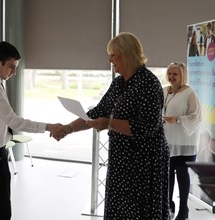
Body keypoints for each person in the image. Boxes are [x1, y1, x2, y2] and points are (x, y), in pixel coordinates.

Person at [52, 32, 170, 220]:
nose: (109, 59)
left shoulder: (149, 83)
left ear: (127, 54)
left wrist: (109, 123)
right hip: (121, 160)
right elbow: (97, 112)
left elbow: (147, 127)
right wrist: (68, 128)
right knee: (119, 210)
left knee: (138, 212)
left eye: (113, 54)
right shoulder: (118, 83)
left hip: (144, 163)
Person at [0, 41, 61, 220]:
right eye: (11, 67)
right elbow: (14, 121)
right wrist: (49, 127)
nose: (14, 72)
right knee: (0, 212)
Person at [162, 62, 201, 220]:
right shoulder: (164, 91)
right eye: (169, 73)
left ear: (183, 75)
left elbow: (196, 116)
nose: (171, 77)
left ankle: (183, 209)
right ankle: (168, 204)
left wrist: (177, 119)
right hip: (167, 140)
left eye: (175, 74)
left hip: (184, 141)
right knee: (168, 173)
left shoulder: (189, 93)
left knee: (182, 173)